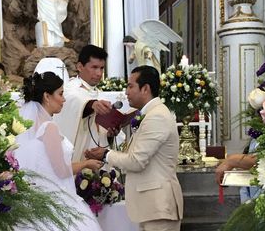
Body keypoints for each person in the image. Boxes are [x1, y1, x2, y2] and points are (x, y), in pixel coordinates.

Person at [86, 66, 183, 231]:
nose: (126, 92)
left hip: (158, 206)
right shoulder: (149, 114)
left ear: (145, 89)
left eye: (130, 86)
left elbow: (136, 161)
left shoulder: (156, 116)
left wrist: (105, 155)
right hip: (151, 207)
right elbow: (136, 154)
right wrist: (112, 138)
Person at [14, 72, 102, 231]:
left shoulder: (27, 126)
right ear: (47, 96)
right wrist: (86, 164)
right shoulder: (49, 128)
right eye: (60, 94)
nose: (64, 99)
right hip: (55, 198)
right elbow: (61, 171)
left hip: (36, 196)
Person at [54, 45, 113, 162]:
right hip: (79, 158)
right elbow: (73, 100)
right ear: (80, 67)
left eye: (102, 68)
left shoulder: (99, 94)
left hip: (99, 157)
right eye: (94, 67)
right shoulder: (70, 88)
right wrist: (91, 104)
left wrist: (110, 134)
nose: (99, 73)